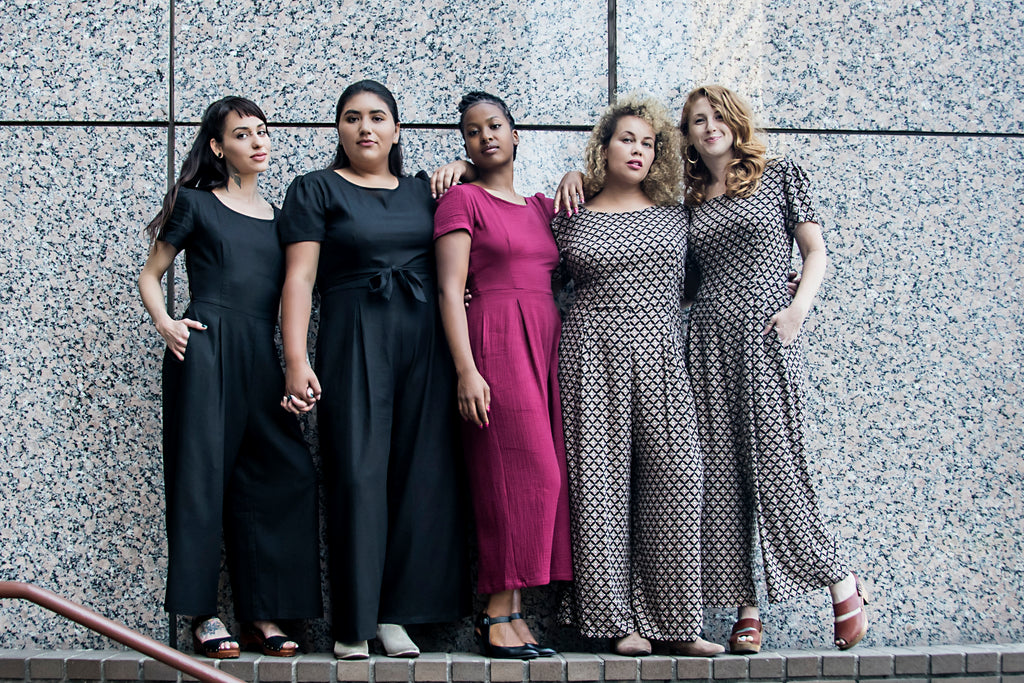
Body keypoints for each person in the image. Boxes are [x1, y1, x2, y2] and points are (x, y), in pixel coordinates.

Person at [277, 79, 465, 660]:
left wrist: (461, 163)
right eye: (353, 117)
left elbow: (489, 189)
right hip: (355, 334)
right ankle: (353, 621)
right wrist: (295, 358)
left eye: (378, 117)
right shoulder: (315, 189)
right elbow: (300, 280)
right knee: (357, 473)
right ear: (338, 129)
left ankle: (394, 616)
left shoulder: (424, 192)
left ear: (396, 130)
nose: (366, 127)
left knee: (419, 474)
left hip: (423, 340)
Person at [680, 84, 867, 653]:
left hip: (764, 339)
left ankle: (841, 580)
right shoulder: (689, 197)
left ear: (735, 120)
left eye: (716, 117)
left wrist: (796, 311)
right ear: (686, 136)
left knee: (776, 472)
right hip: (707, 342)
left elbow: (816, 252)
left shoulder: (779, 173)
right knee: (720, 482)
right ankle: (747, 611)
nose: (709, 127)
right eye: (696, 122)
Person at [138, 96, 321, 659]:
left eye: (263, 131)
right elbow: (151, 274)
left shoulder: (284, 219)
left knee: (281, 474)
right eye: (242, 134)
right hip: (208, 348)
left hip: (262, 356)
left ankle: (263, 614)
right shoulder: (195, 204)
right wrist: (168, 324)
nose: (257, 142)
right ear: (218, 147)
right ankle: (202, 614)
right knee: (201, 477)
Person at [552, 96, 722, 657]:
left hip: (664, 361)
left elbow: (716, 268)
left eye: (649, 142)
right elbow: (528, 267)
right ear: (604, 147)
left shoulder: (678, 213)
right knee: (599, 492)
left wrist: (779, 282)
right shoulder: (569, 212)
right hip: (591, 362)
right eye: (627, 138)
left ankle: (678, 623)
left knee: (678, 480)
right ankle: (613, 622)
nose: (638, 150)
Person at [433, 92, 572, 660]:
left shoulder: (541, 207)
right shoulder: (461, 200)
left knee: (537, 477)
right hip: (493, 339)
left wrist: (576, 170)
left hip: (544, 344)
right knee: (520, 475)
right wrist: (466, 369)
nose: (485, 136)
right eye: (471, 131)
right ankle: (494, 615)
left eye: (495, 126)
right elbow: (448, 288)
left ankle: (513, 613)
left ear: (516, 136)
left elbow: (600, 202)